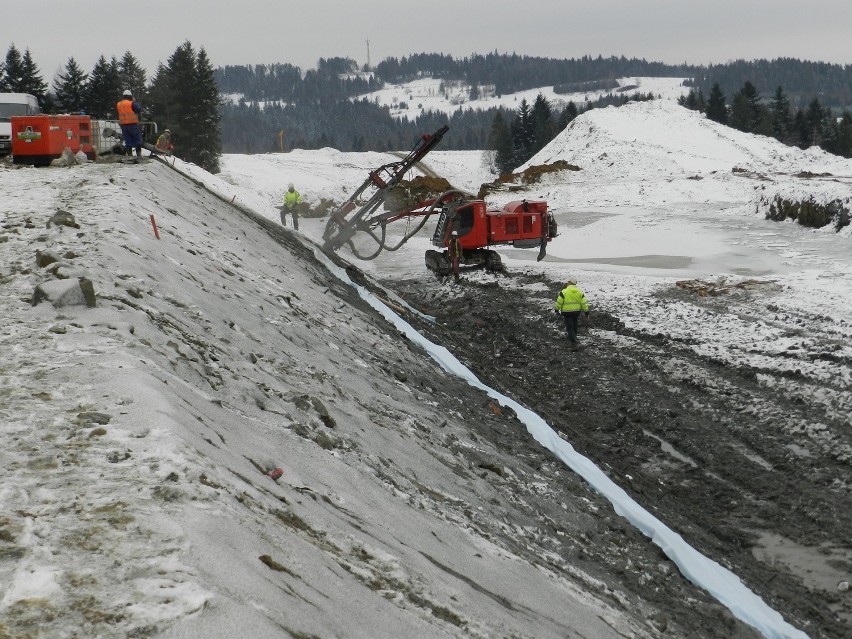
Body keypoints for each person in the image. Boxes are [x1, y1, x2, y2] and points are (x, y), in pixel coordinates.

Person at [554, 278, 590, 350]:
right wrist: (586, 312)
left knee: (570, 327)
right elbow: (584, 303)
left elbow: (559, 302)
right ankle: (573, 337)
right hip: (576, 312)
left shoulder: (564, 292)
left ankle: (574, 342)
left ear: (569, 283)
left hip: (567, 313)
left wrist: (556, 310)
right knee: (575, 325)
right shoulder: (580, 292)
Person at [116, 89, 143, 158]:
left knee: (128, 141)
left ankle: (130, 155)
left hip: (124, 125)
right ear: (130, 96)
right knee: (137, 139)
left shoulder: (119, 104)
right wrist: (134, 102)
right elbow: (138, 110)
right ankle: (138, 154)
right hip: (132, 124)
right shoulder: (131, 103)